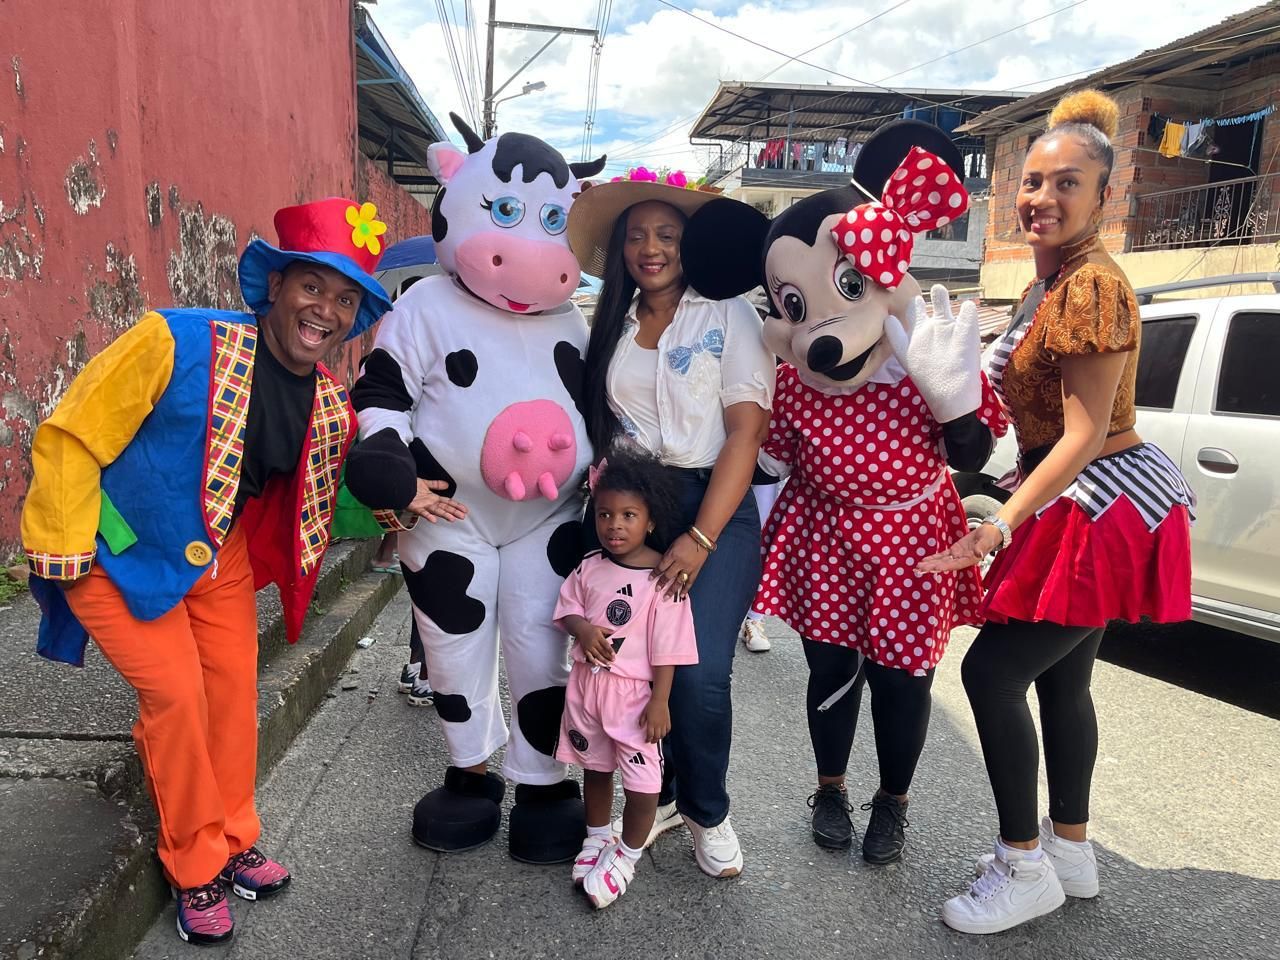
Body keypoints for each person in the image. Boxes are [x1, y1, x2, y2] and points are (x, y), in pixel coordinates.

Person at [19, 198, 417, 945]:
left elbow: (343, 491)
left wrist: (411, 494)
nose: (325, 310)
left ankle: (234, 837)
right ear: (275, 288)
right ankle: (193, 861)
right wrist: (63, 541)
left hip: (218, 555)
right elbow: (73, 427)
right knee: (174, 695)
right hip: (118, 547)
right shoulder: (174, 339)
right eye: (312, 287)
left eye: (343, 299)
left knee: (233, 694)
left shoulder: (329, 404)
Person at [923, 91, 1195, 935]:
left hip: (1098, 501)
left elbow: (1082, 433)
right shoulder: (1054, 280)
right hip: (1077, 493)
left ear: (1103, 196)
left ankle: (1023, 864)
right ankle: (1069, 851)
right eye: (1031, 182)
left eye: (1064, 183)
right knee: (1065, 681)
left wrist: (1000, 520)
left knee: (992, 674)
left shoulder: (1091, 287)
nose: (1040, 197)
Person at [569, 168, 775, 878]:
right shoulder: (612, 324)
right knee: (628, 667)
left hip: (714, 507)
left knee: (698, 675)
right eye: (635, 237)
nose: (649, 249)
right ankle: (654, 794)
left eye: (666, 235)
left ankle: (707, 811)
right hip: (637, 509)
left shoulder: (730, 314)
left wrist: (701, 536)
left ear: (692, 244)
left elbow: (744, 435)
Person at [555, 452, 698, 908]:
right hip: (586, 688)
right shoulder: (589, 566)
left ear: (650, 521)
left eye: (628, 515)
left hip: (634, 698)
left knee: (643, 782)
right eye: (605, 514)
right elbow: (568, 609)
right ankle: (597, 839)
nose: (614, 525)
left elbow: (669, 649)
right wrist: (581, 628)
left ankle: (627, 855)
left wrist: (660, 702)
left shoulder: (664, 579)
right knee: (594, 767)